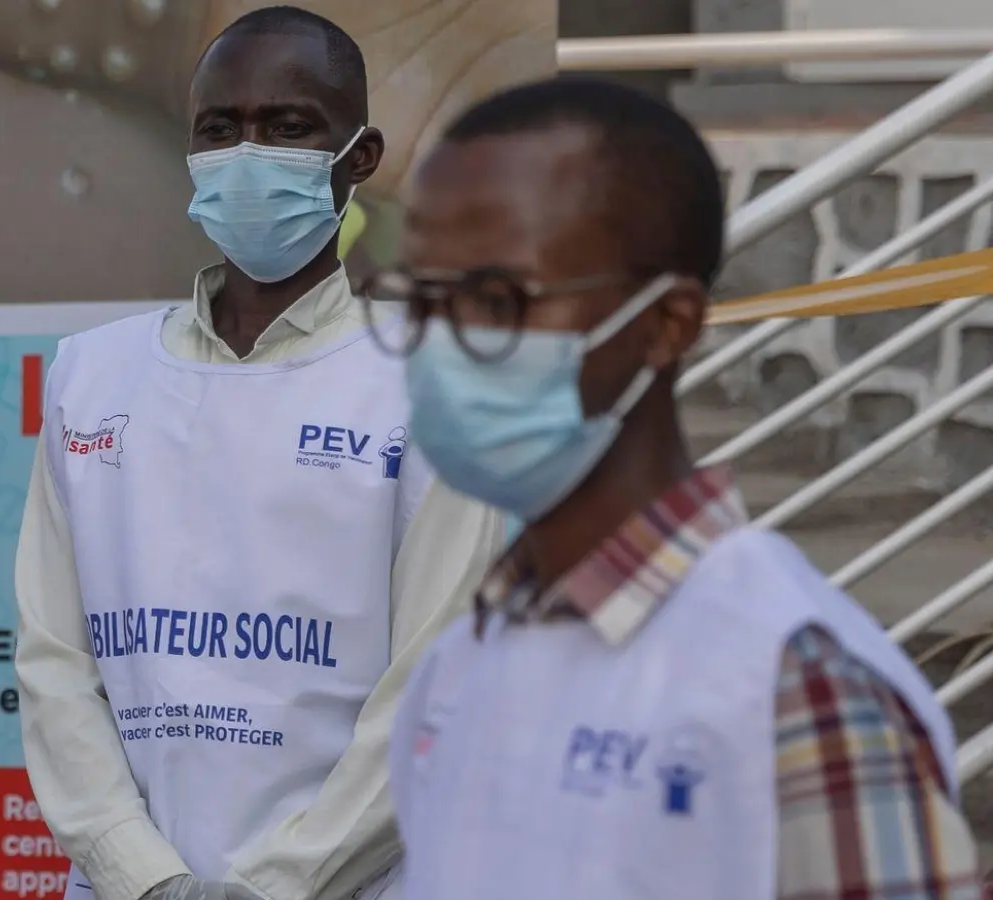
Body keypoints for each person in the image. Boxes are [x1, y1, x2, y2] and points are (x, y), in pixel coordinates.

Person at [383, 76, 980, 899]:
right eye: (424, 299)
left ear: (667, 327)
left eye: (496, 299)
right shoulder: (462, 664)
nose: (443, 345)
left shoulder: (792, 683)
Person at [13, 8, 503, 900]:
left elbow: (433, 688)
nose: (248, 154)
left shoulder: (434, 379)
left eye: (287, 128)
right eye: (220, 129)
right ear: (189, 154)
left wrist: (272, 888)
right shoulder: (94, 373)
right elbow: (53, 665)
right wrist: (145, 878)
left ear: (359, 157)